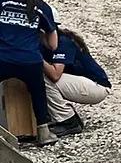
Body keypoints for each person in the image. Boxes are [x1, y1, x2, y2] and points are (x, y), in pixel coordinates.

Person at [0, 0, 58, 146]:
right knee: (38, 91)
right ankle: (44, 132)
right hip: (29, 61)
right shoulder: (42, 8)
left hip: (2, 58)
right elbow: (53, 45)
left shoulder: (3, 2)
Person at [40, 8, 111, 137]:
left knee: (44, 77)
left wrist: (34, 55)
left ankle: (67, 120)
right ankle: (56, 116)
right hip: (81, 83)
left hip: (96, 86)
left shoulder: (63, 42)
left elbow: (55, 74)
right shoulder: (45, 42)